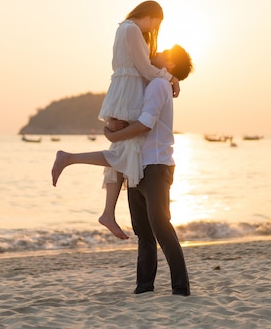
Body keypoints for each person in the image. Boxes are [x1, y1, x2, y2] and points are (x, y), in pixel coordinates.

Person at [52, 44, 193, 295]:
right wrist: (114, 128)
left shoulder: (159, 86)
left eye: (165, 52)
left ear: (170, 65)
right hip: (137, 164)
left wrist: (115, 137)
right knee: (144, 233)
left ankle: (181, 288)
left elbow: (146, 124)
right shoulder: (152, 83)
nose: (158, 51)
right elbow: (134, 120)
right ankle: (144, 287)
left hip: (156, 165)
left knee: (160, 225)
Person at [53, 1, 180, 240]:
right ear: (152, 16)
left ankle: (107, 213)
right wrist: (170, 76)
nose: (154, 29)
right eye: (157, 23)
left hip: (123, 91)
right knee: (126, 149)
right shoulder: (131, 29)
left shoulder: (124, 28)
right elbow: (144, 68)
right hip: (128, 92)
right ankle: (69, 158)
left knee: (123, 149)